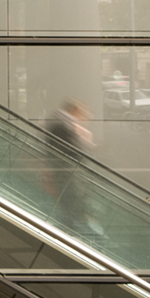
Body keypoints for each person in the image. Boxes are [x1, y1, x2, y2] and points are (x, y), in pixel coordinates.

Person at [43, 98, 100, 236]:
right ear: (75, 110)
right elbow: (74, 150)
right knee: (71, 206)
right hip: (67, 173)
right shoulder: (63, 123)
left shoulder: (60, 120)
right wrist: (86, 143)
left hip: (65, 172)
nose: (83, 120)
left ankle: (71, 231)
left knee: (70, 206)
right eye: (83, 116)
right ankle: (70, 234)